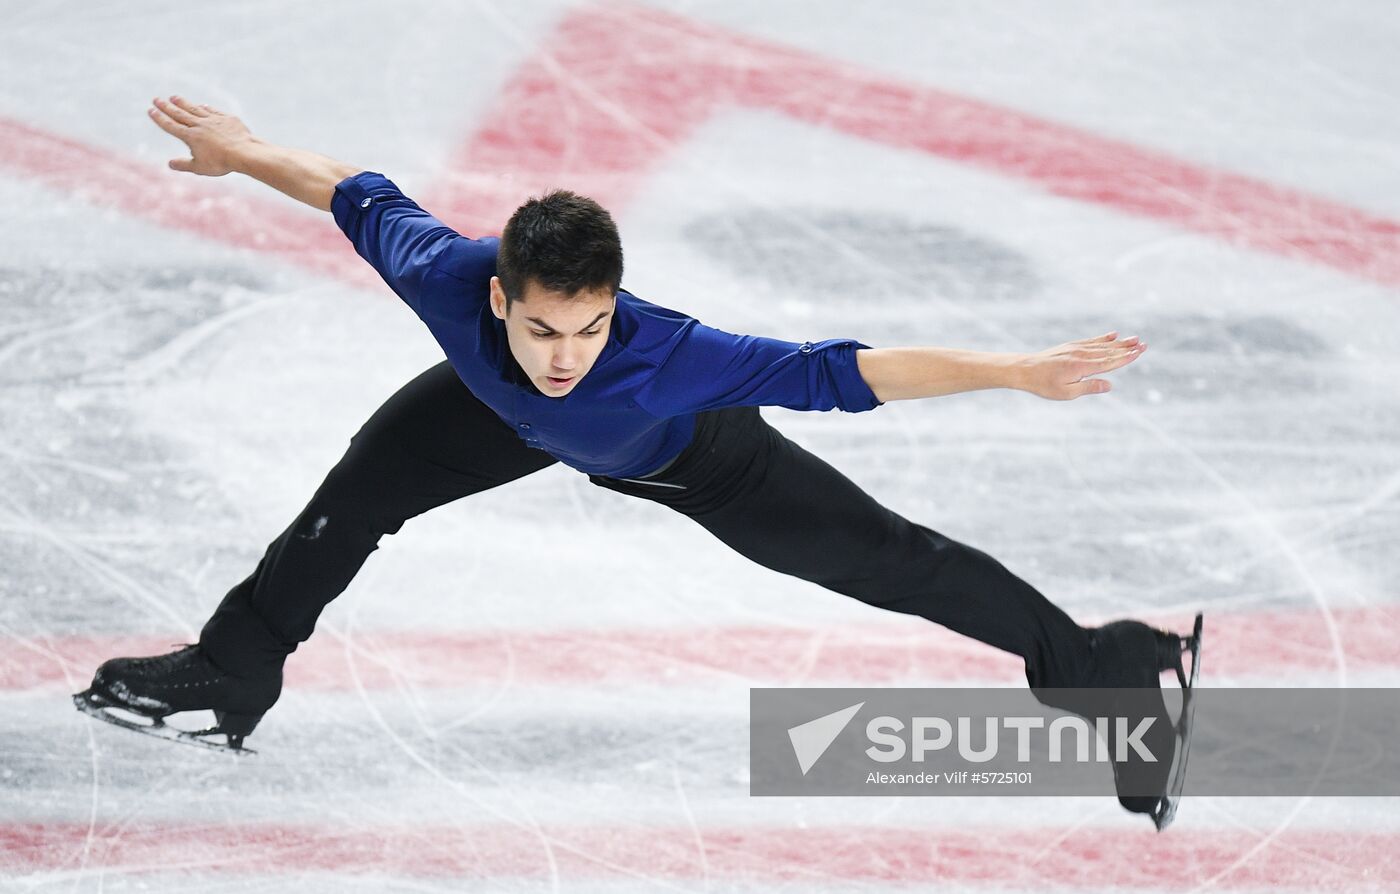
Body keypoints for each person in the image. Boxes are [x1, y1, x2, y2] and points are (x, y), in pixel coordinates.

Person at [76, 95, 1199, 828]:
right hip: (485, 411)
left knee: (887, 559)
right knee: (349, 502)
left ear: (614, 305)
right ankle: (234, 670)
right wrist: (239, 151)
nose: (567, 354)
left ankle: (1095, 665)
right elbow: (347, 189)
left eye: (589, 327)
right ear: (499, 296)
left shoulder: (670, 360)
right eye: (542, 328)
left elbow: (851, 370)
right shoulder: (441, 273)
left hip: (690, 458)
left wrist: (1012, 371)